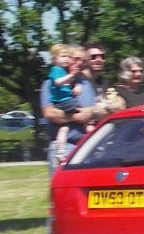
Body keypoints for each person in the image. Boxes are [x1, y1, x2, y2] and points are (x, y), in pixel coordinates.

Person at [41, 44, 103, 172]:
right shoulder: (50, 84)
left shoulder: (86, 84)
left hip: (88, 146)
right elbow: (49, 113)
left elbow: (101, 110)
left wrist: (92, 111)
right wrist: (75, 117)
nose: (79, 63)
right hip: (65, 146)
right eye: (76, 59)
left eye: (83, 60)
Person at [46, 43, 85, 161]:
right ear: (54, 59)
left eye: (68, 56)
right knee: (84, 112)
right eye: (63, 56)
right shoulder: (56, 70)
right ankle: (89, 127)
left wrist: (76, 84)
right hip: (64, 102)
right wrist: (71, 75)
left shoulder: (64, 71)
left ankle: (60, 151)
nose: (66, 59)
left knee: (64, 128)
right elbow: (58, 82)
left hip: (65, 100)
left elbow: (68, 85)